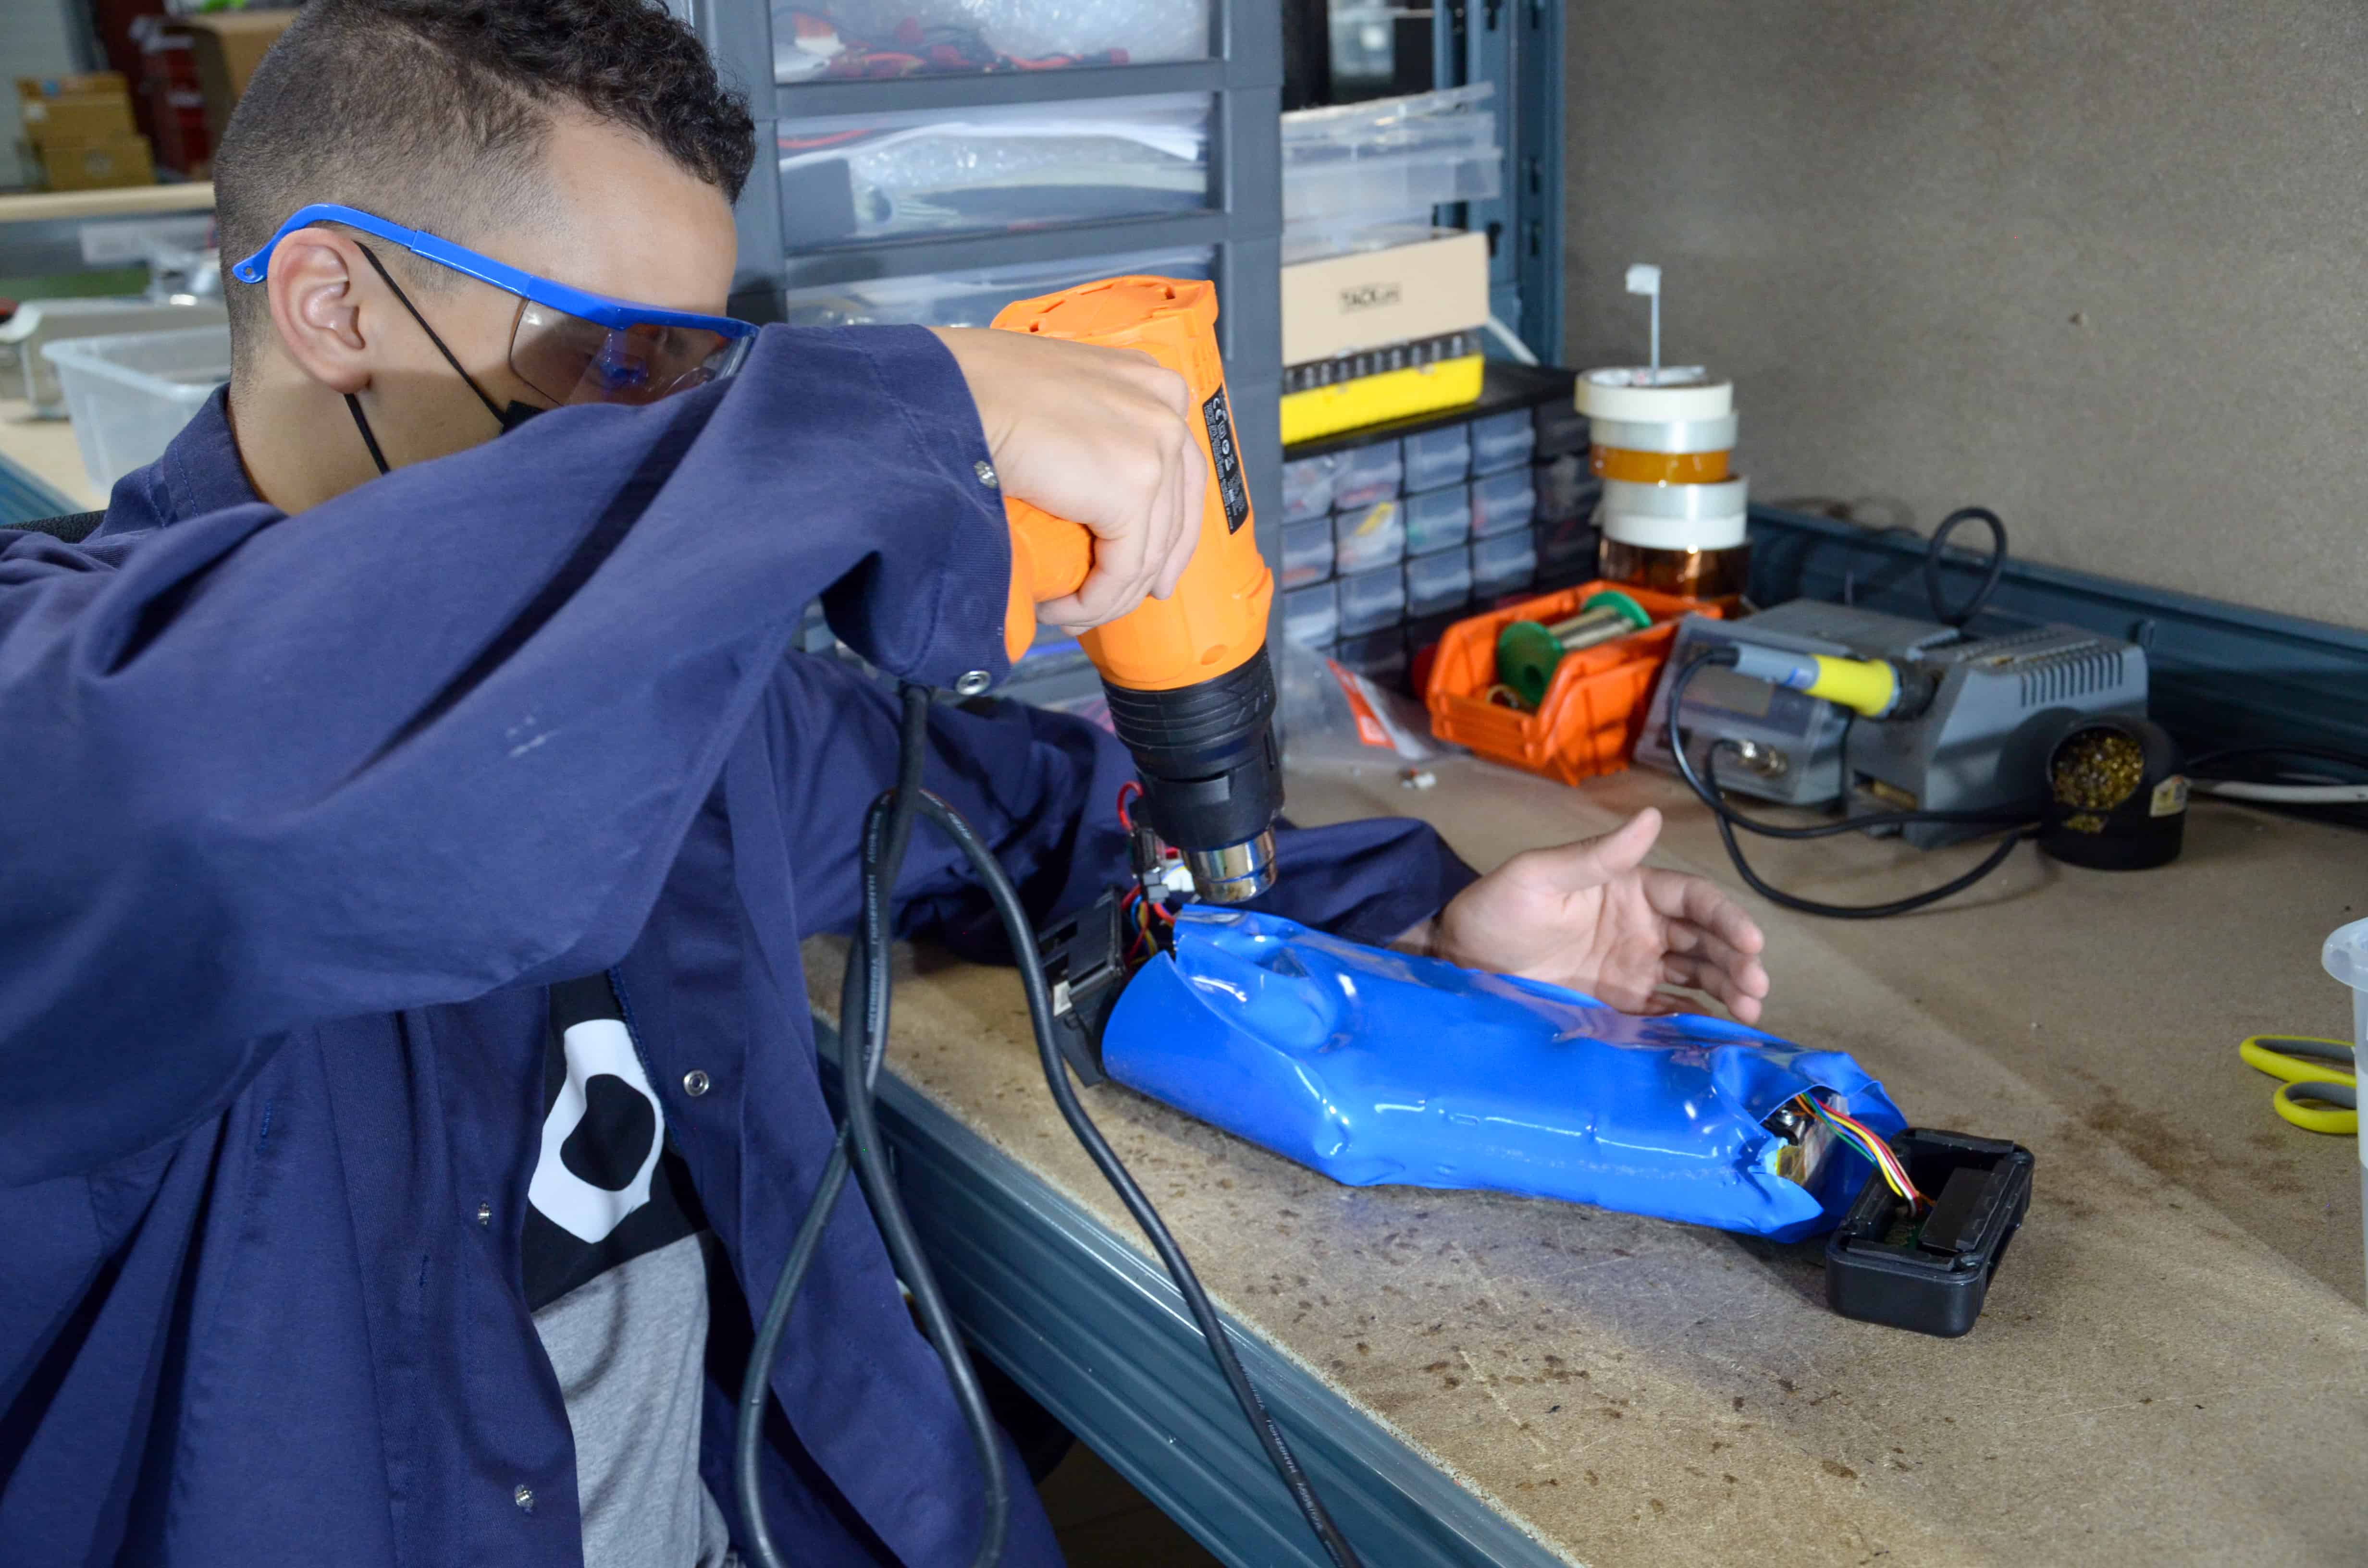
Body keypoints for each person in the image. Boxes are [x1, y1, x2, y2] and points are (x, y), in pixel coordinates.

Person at [0, 2, 1770, 1565]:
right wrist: (884, 410)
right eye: (623, 362)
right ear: (332, 301)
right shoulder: (60, 698)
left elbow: (1021, 809)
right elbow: (235, 797)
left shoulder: (687, 687)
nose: (666, 431)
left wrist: (1419, 914)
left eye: (705, 367)